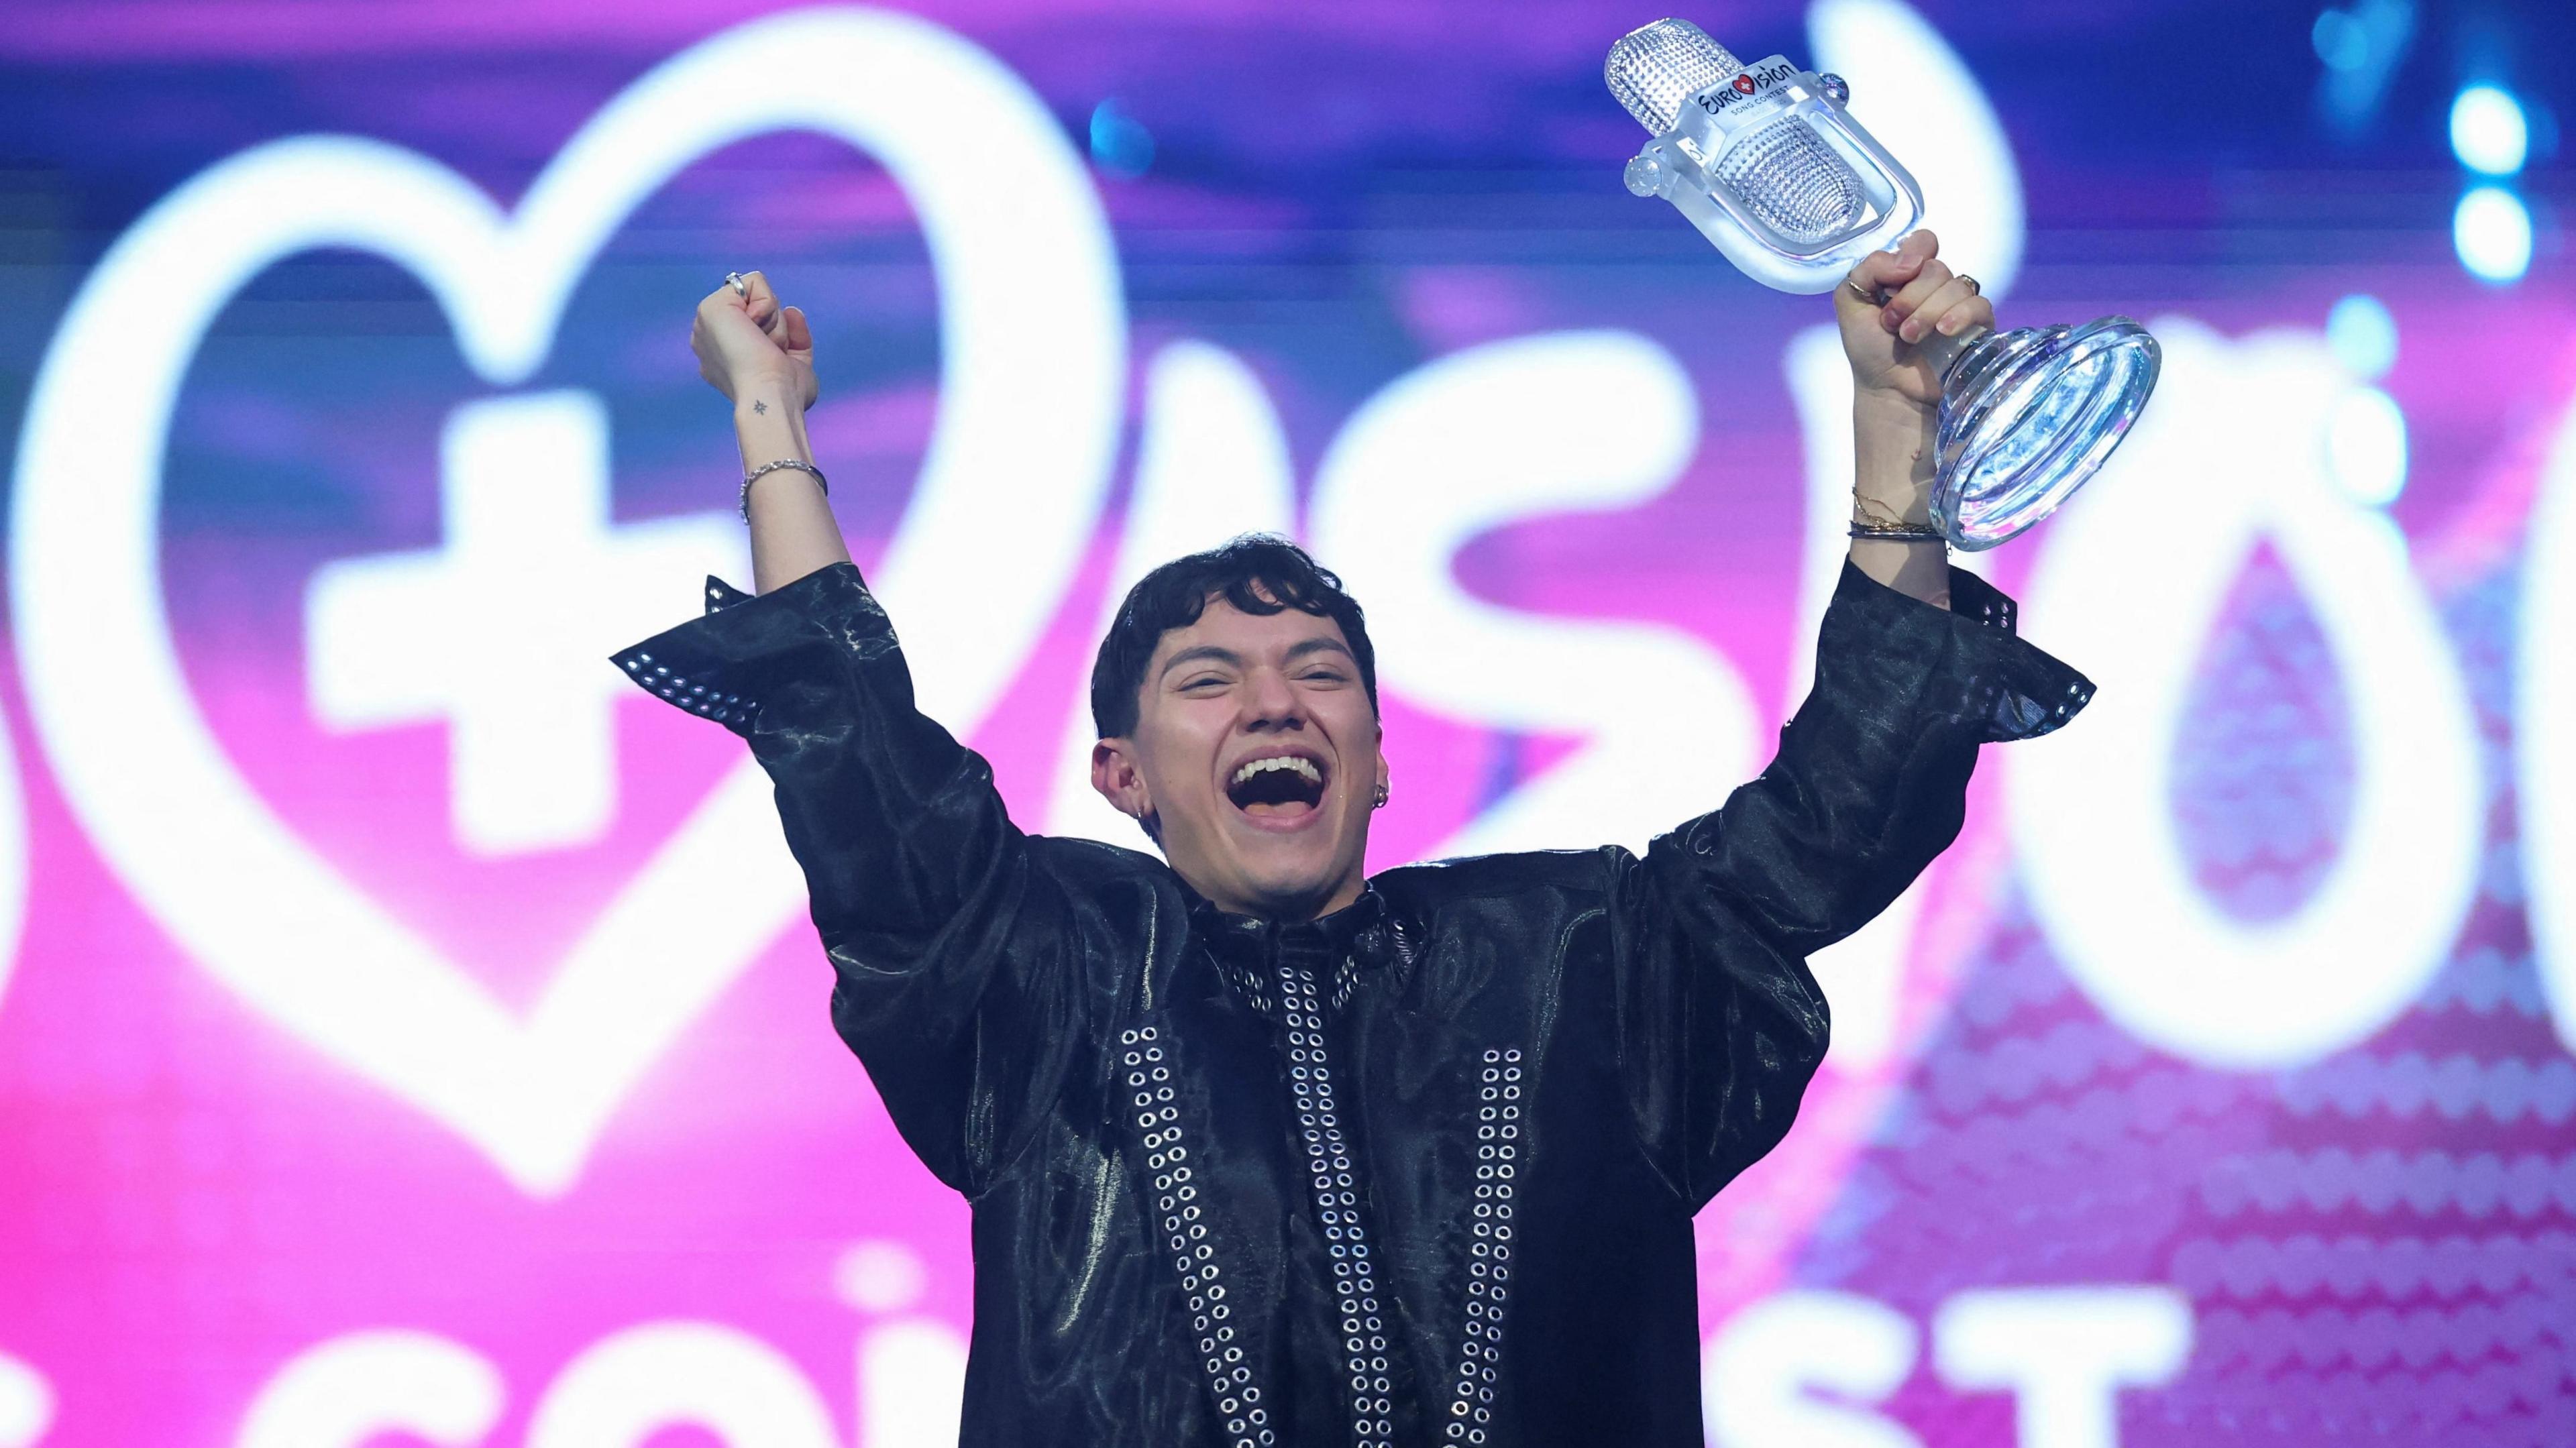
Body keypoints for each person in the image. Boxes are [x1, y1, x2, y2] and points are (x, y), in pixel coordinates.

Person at [615, 229, 2092, 1446]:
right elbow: (865, 767)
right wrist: (772, 422)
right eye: (1210, 681)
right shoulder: (1051, 975)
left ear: (1379, 761)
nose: (1275, 700)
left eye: (1320, 673)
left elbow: (1838, 820)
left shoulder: (1574, 959)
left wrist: (1900, 440)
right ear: (1123, 775)